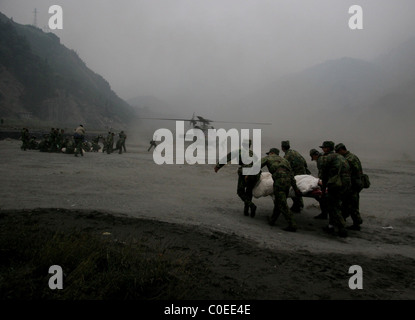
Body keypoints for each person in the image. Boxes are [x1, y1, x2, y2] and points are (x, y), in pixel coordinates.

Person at [214, 140, 260, 218]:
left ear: (242, 144)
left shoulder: (239, 151)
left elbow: (227, 157)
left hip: (245, 172)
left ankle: (251, 206)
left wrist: (218, 166)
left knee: (240, 191)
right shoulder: (253, 153)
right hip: (254, 173)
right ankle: (246, 211)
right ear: (249, 145)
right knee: (249, 191)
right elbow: (258, 163)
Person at [260, 147, 300, 232]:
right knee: (278, 201)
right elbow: (292, 175)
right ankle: (272, 220)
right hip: (287, 182)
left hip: (279, 181)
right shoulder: (285, 160)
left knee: (282, 204)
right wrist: (295, 188)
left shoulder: (268, 158)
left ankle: (292, 224)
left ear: (271, 153)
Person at [319, 141, 351, 237]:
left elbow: (324, 173)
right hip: (346, 183)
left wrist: (323, 188)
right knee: (337, 204)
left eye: (324, 148)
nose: (322, 150)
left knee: (333, 205)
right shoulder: (341, 157)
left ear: (328, 148)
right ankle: (331, 225)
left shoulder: (328, 158)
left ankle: (342, 228)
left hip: (336, 183)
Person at [335, 143, 364, 230]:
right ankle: (353, 221)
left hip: (352, 185)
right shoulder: (352, 156)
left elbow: (347, 172)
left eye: (337, 152)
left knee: (351, 204)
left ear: (341, 150)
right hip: (356, 183)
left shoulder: (348, 159)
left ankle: (356, 223)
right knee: (351, 203)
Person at [281, 140, 310, 213]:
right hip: (303, 173)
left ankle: (298, 205)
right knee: (298, 188)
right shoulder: (295, 152)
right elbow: (304, 162)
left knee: (293, 189)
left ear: (282, 148)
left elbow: (285, 166)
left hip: (296, 174)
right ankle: (299, 205)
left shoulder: (287, 155)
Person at [310, 148, 328, 220]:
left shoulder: (320, 160)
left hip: (328, 181)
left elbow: (323, 172)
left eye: (313, 157)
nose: (314, 159)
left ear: (315, 155)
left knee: (322, 197)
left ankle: (325, 214)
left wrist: (320, 181)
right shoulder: (324, 157)